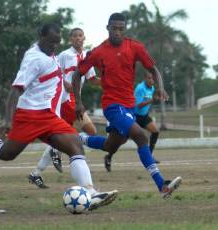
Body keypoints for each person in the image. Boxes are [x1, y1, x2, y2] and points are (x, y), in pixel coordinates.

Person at [0, 23, 118, 210]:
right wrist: (8, 120)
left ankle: (90, 193)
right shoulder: (34, 59)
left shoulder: (49, 54)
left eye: (56, 43)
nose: (54, 46)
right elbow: (15, 90)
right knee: (6, 153)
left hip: (49, 117)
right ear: (41, 37)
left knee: (75, 145)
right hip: (30, 115)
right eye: (51, 42)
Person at [71, 13, 181, 199]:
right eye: (114, 28)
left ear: (125, 29)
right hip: (113, 106)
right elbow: (77, 74)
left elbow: (153, 68)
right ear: (108, 28)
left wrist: (160, 88)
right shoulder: (98, 52)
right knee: (140, 136)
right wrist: (78, 102)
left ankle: (78, 138)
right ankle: (162, 185)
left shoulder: (134, 47)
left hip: (128, 106)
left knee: (110, 146)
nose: (117, 32)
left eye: (121, 29)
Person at [28, 27, 101, 189]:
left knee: (59, 140)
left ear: (84, 38)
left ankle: (36, 173)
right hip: (65, 100)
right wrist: (64, 82)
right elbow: (54, 71)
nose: (77, 38)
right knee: (91, 131)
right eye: (74, 36)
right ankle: (75, 156)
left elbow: (92, 79)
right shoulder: (65, 55)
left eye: (80, 35)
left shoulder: (87, 57)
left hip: (75, 99)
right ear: (70, 40)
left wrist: (109, 80)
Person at [134, 72, 161, 163]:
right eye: (149, 78)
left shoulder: (152, 88)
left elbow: (149, 102)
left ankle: (149, 157)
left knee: (155, 131)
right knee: (122, 139)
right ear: (145, 78)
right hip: (134, 116)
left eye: (152, 79)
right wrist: (152, 99)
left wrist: (158, 98)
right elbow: (139, 105)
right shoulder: (140, 88)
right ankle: (109, 156)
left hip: (143, 116)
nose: (151, 80)